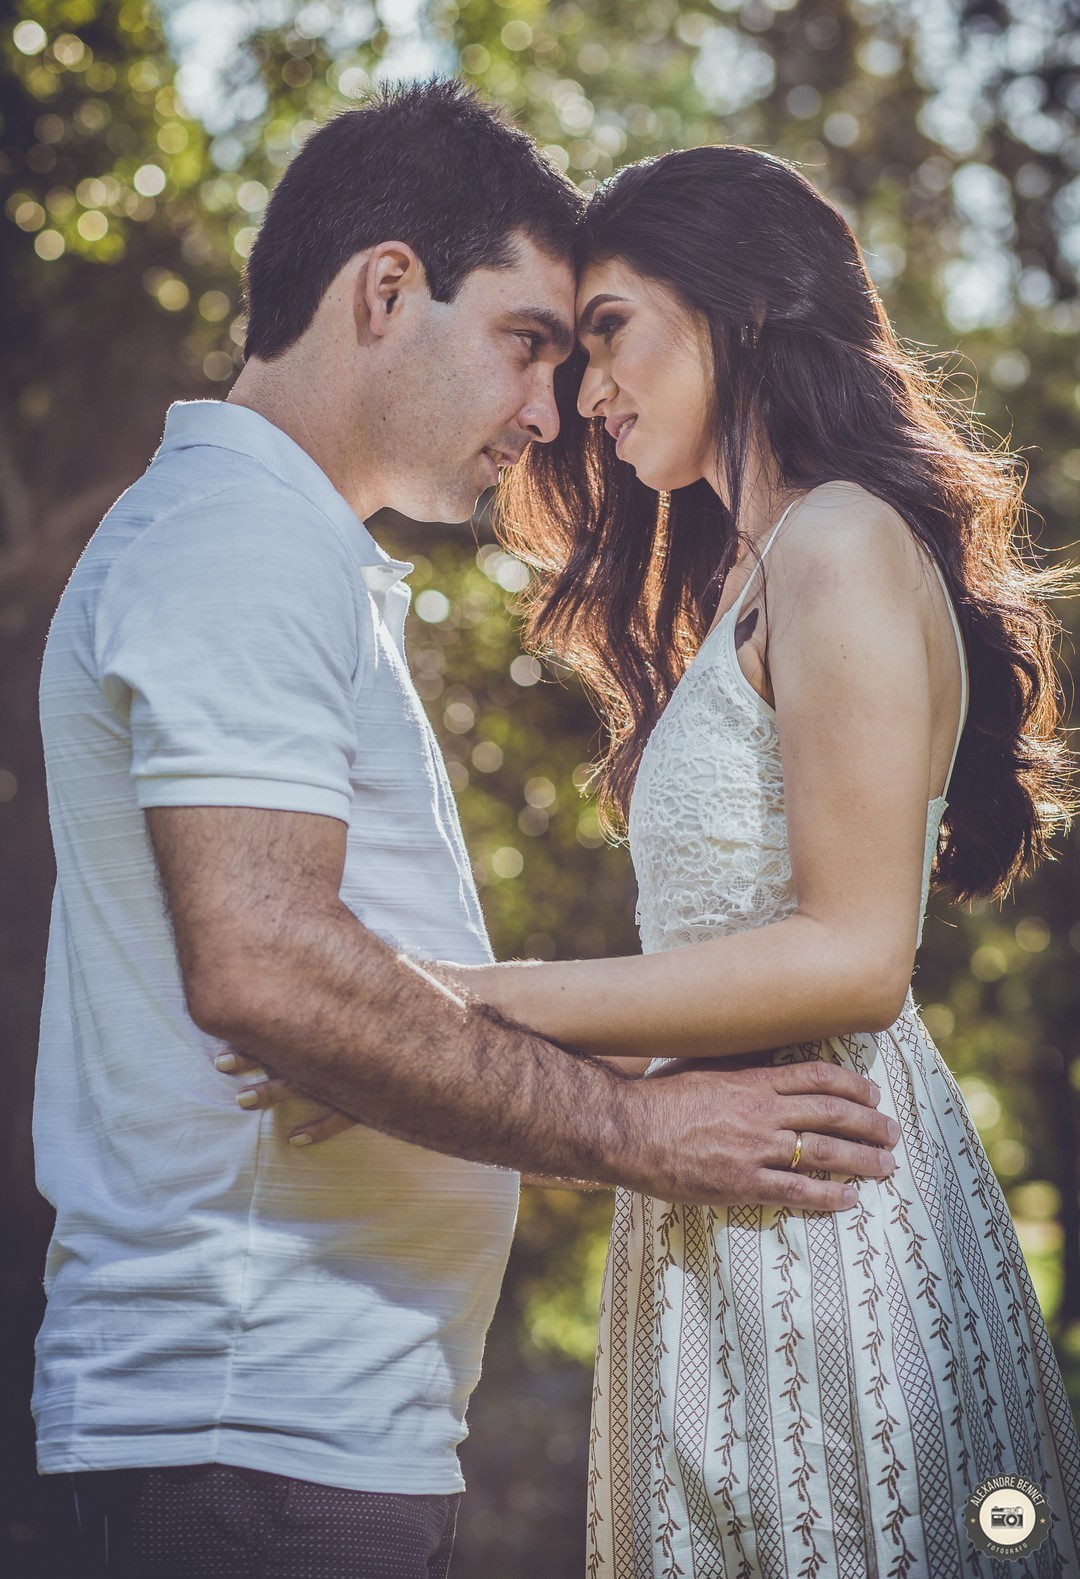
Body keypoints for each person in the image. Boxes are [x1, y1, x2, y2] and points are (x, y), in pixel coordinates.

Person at [32, 87, 896, 1578]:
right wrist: (637, 1133)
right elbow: (270, 972)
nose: (549, 414)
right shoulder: (237, 544)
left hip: (303, 1437)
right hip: (241, 1440)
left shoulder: (283, 549)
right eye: (526, 345)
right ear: (386, 289)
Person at [446, 147, 1080, 1575]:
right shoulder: (757, 566)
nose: (585, 393)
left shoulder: (842, 539)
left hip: (819, 1223)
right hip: (723, 1208)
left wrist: (476, 997)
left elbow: (855, 955)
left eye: (608, 330)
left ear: (737, 302)